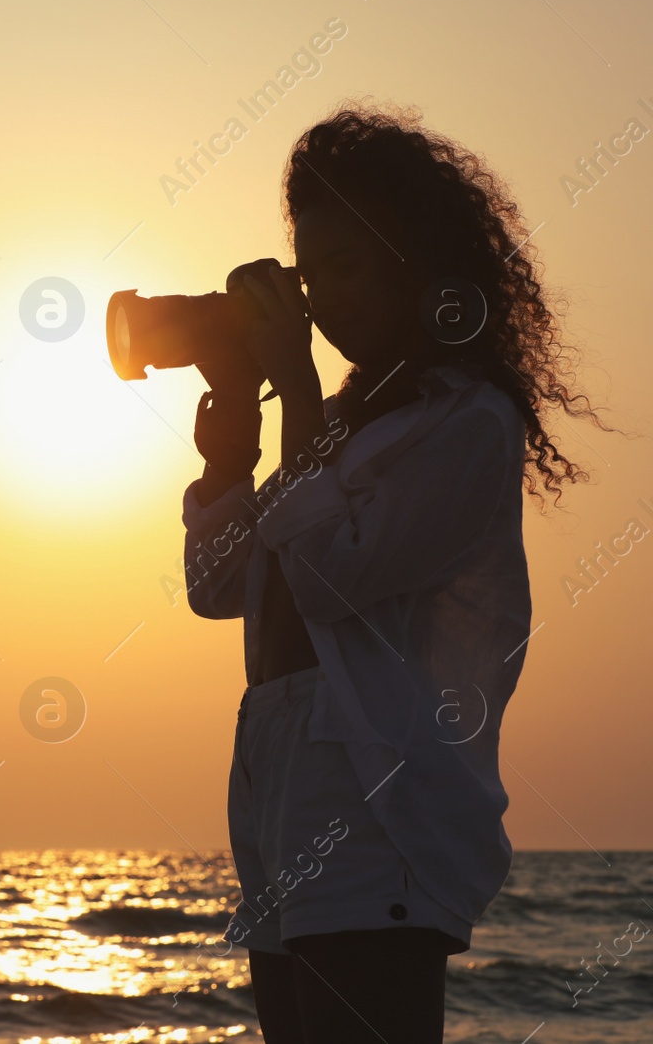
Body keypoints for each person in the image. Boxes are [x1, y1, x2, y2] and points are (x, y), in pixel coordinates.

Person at [181, 102, 606, 1042]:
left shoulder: (466, 422)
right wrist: (227, 465)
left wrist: (290, 384)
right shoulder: (335, 424)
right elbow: (221, 590)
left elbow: (331, 577)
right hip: (276, 777)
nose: (322, 302)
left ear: (416, 262)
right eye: (309, 273)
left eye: (347, 267)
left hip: (374, 795)